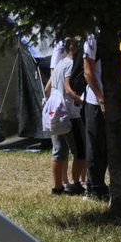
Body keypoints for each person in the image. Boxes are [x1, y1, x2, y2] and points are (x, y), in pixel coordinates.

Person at [45, 36, 86, 196]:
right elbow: (68, 89)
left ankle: (57, 187)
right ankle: (75, 184)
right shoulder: (70, 65)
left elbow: (48, 88)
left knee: (59, 150)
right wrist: (83, 103)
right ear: (72, 48)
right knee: (81, 150)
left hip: (55, 114)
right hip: (70, 114)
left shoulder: (59, 65)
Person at [81, 33, 110, 199]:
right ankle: (94, 187)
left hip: (109, 99)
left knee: (105, 145)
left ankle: (97, 184)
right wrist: (100, 97)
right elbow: (88, 73)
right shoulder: (92, 40)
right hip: (94, 101)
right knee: (94, 144)